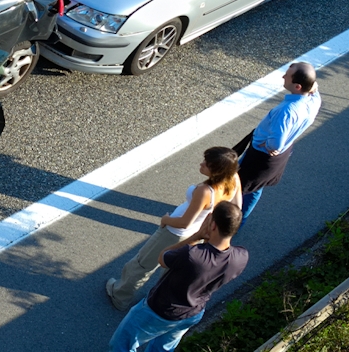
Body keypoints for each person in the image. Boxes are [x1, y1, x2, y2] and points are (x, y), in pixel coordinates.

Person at [106, 147, 242, 311]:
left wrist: (166, 219)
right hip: (194, 234)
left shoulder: (205, 191)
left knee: (142, 264)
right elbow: (237, 207)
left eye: (207, 164)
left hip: (174, 232)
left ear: (217, 170)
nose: (201, 163)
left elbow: (185, 222)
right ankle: (154, 300)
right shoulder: (232, 180)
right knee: (170, 270)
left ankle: (120, 296)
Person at [108, 202, 249, 352]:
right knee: (161, 349)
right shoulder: (241, 256)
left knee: (121, 345)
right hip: (192, 313)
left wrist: (197, 236)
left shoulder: (192, 254)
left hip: (160, 310)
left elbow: (163, 258)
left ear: (213, 225)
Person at [236, 61, 321, 224]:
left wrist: (266, 144)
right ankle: (241, 221)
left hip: (259, 157)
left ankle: (222, 221)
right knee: (255, 188)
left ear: (297, 86)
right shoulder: (313, 101)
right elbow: (314, 86)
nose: (283, 76)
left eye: (287, 76)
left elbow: (275, 144)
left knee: (236, 186)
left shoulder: (287, 111)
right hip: (279, 158)